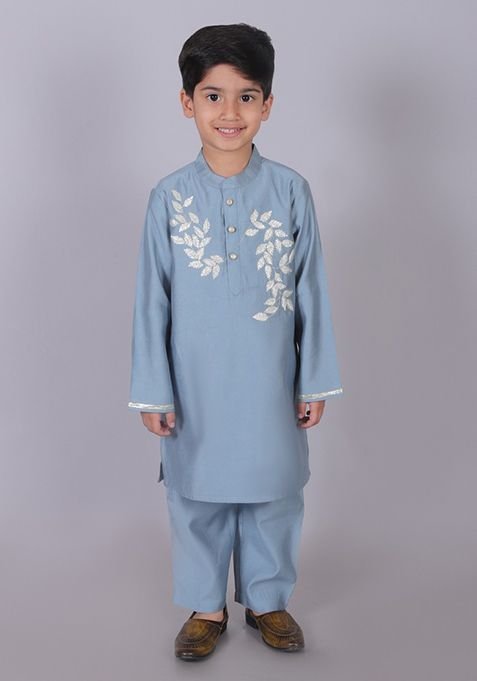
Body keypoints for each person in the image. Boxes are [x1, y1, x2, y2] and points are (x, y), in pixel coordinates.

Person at [127, 23, 344, 660]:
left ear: (267, 105)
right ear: (186, 102)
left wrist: (313, 379)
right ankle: (206, 606)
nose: (230, 112)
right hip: (194, 384)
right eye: (213, 96)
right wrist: (154, 390)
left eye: (246, 96)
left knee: (274, 490)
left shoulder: (290, 191)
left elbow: (312, 291)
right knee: (197, 495)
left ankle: (268, 599)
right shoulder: (169, 198)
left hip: (270, 379)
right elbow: (151, 300)